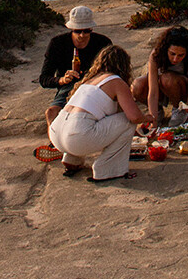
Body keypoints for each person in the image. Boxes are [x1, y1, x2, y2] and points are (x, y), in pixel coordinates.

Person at [49, 45, 149, 182]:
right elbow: (134, 117)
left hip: (56, 134)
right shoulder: (117, 82)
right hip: (76, 137)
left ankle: (72, 159)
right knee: (128, 121)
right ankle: (107, 169)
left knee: (85, 124)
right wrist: (148, 117)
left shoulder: (88, 81)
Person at [39, 6, 112, 140]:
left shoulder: (103, 43)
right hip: (69, 87)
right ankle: (55, 144)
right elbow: (44, 79)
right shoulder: (57, 44)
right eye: (78, 31)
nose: (82, 35)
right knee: (51, 112)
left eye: (86, 31)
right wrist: (62, 80)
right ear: (71, 29)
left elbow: (113, 73)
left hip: (95, 87)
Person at [131, 26, 188, 127]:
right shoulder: (156, 55)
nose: (175, 59)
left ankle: (178, 109)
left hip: (179, 88)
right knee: (137, 85)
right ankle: (158, 111)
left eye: (180, 55)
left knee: (167, 79)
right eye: (172, 54)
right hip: (160, 88)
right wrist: (153, 116)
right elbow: (153, 91)